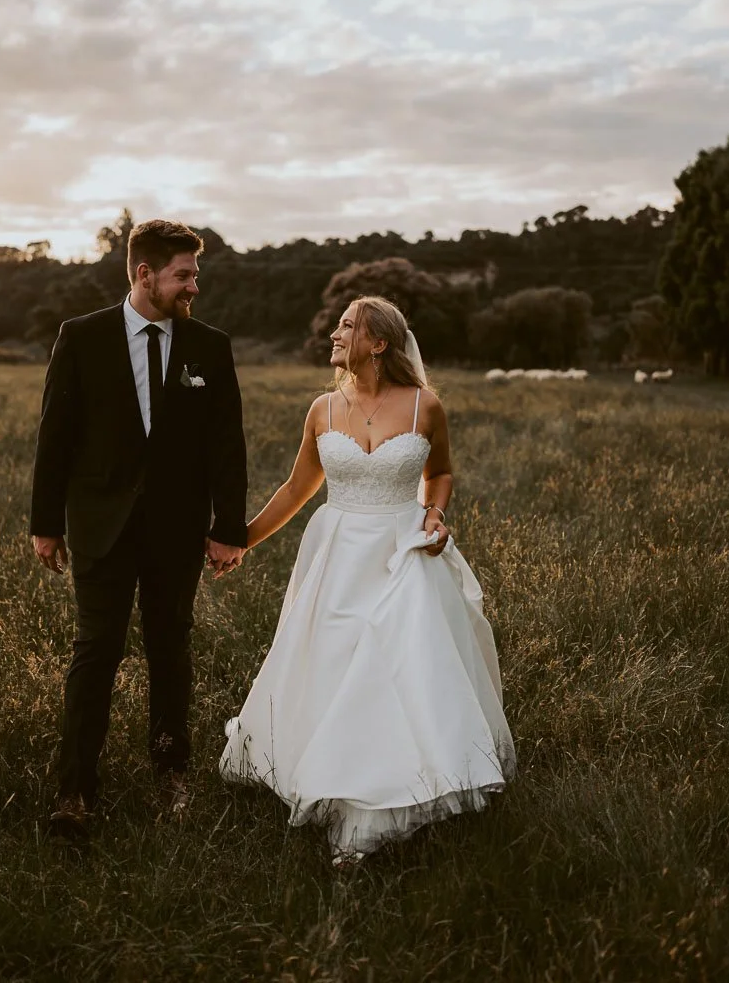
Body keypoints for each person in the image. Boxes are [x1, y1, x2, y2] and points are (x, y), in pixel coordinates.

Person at [219, 295, 514, 865]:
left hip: (403, 552)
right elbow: (295, 489)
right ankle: (325, 770)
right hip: (337, 555)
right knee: (334, 662)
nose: (335, 332)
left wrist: (434, 513)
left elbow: (442, 472)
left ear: (379, 344)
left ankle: (391, 786)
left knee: (394, 666)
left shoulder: (424, 406)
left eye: (348, 325)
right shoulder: (323, 409)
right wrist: (242, 540)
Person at [30, 219, 248, 840]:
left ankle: (171, 774)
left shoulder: (210, 345)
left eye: (195, 275)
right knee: (95, 652)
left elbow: (225, 446)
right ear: (143, 274)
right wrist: (45, 524)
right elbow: (56, 435)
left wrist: (228, 527)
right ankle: (74, 790)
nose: (192, 287)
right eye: (183, 275)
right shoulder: (83, 337)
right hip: (100, 526)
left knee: (169, 650)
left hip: (177, 532)